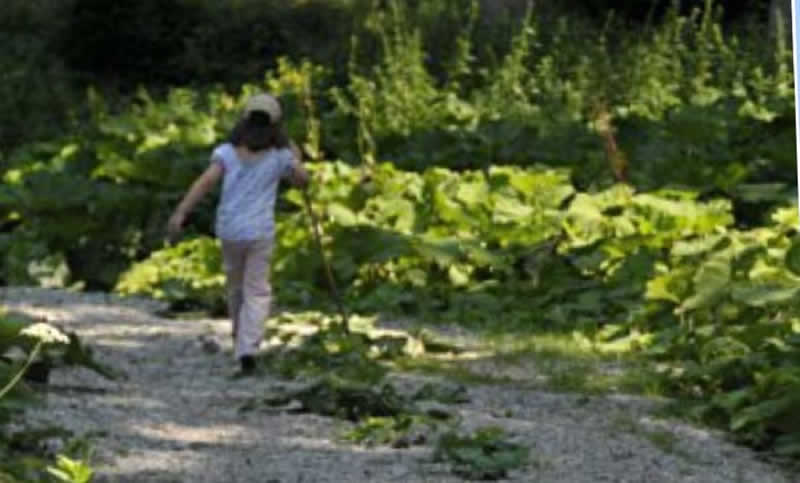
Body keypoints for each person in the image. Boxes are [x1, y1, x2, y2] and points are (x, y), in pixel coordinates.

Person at [167, 93, 309, 375]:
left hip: (230, 230)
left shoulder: (227, 153)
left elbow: (205, 183)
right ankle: (248, 348)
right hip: (259, 231)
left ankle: (238, 339)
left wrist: (181, 212)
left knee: (236, 287)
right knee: (257, 290)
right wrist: (295, 154)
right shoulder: (280, 157)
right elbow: (303, 181)